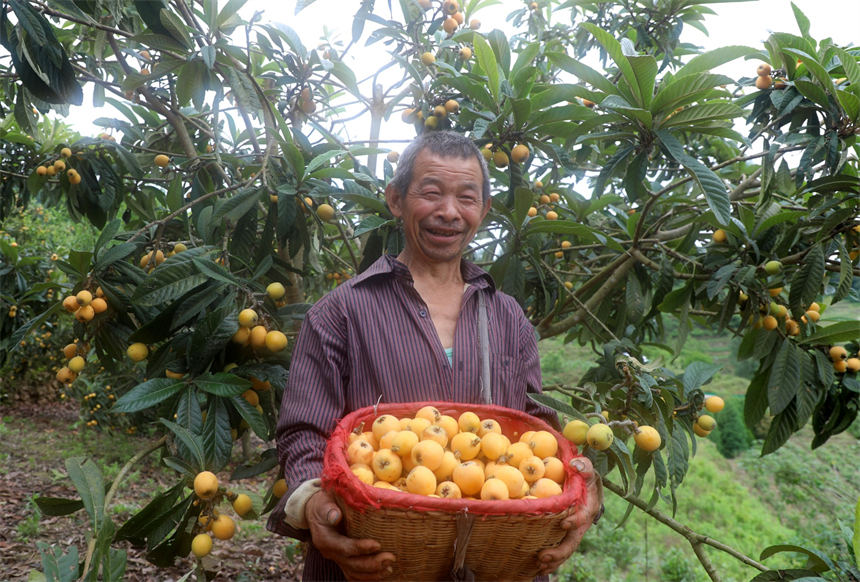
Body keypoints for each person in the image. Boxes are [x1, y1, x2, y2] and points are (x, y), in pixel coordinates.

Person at [267, 131, 603, 581]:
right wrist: (314, 508)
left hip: (494, 564)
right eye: (431, 193)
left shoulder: (508, 318)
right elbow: (304, 433)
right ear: (395, 200)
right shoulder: (340, 312)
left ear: (483, 211)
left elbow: (537, 434)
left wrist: (580, 486)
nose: (449, 212)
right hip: (372, 560)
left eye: (466, 197)